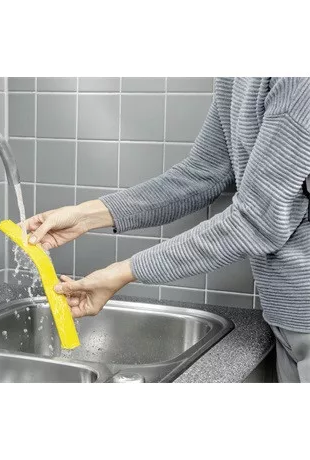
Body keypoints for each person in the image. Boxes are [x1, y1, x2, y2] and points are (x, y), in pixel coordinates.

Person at [24, 78, 310, 383]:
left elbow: (256, 220)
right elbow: (202, 175)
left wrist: (122, 272)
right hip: (287, 319)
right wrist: (85, 216)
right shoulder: (236, 77)